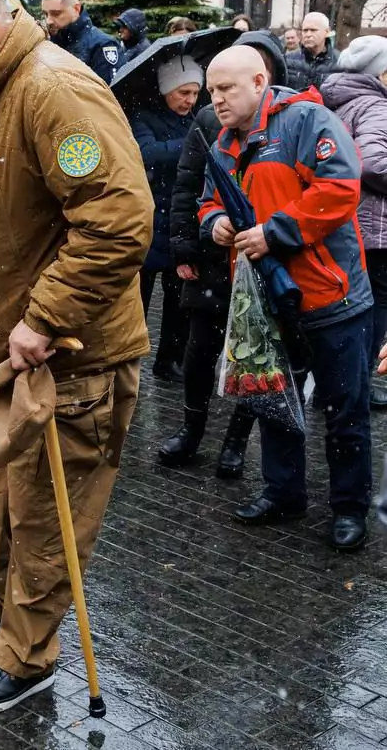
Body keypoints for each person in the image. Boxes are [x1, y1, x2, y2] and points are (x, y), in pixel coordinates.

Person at [0, 0, 152, 714]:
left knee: (46, 513)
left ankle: (28, 656)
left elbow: (117, 219)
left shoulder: (54, 90)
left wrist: (44, 318)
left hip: (65, 359)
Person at [200, 45, 372, 550]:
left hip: (330, 296)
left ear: (259, 81)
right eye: (212, 91)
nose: (217, 100)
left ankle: (349, 508)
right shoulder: (225, 142)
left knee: (345, 409)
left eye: (226, 88)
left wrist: (274, 232)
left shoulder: (306, 121)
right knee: (274, 398)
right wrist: (217, 224)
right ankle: (283, 491)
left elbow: (340, 188)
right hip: (266, 301)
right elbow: (208, 200)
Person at [162, 31, 285, 475]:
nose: (218, 97)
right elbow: (187, 185)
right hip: (212, 261)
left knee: (252, 357)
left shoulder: (289, 124)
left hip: (260, 263)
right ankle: (191, 432)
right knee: (199, 352)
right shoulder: (209, 122)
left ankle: (235, 442)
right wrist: (185, 245)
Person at [321, 35, 387, 410]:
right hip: (376, 227)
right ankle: (362, 382)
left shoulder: (337, 99)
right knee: (375, 307)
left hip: (346, 223)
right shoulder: (376, 106)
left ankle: (340, 382)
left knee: (348, 305)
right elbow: (374, 163)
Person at [130, 56, 201, 382]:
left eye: (195, 93)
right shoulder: (143, 117)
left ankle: (169, 360)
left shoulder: (196, 120)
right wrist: (190, 146)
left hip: (178, 221)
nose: (189, 100)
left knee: (177, 302)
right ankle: (129, 360)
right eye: (183, 92)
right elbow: (148, 154)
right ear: (166, 90)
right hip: (147, 218)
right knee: (137, 301)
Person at [39, 0, 127, 84]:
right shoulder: (47, 44)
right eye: (45, 14)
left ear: (76, 8)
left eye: (56, 13)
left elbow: (110, 97)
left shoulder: (102, 46)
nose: (48, 21)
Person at [286, 11, 340, 91]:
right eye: (305, 30)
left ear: (327, 32)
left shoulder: (339, 62)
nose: (308, 35)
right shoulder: (289, 59)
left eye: (313, 30)